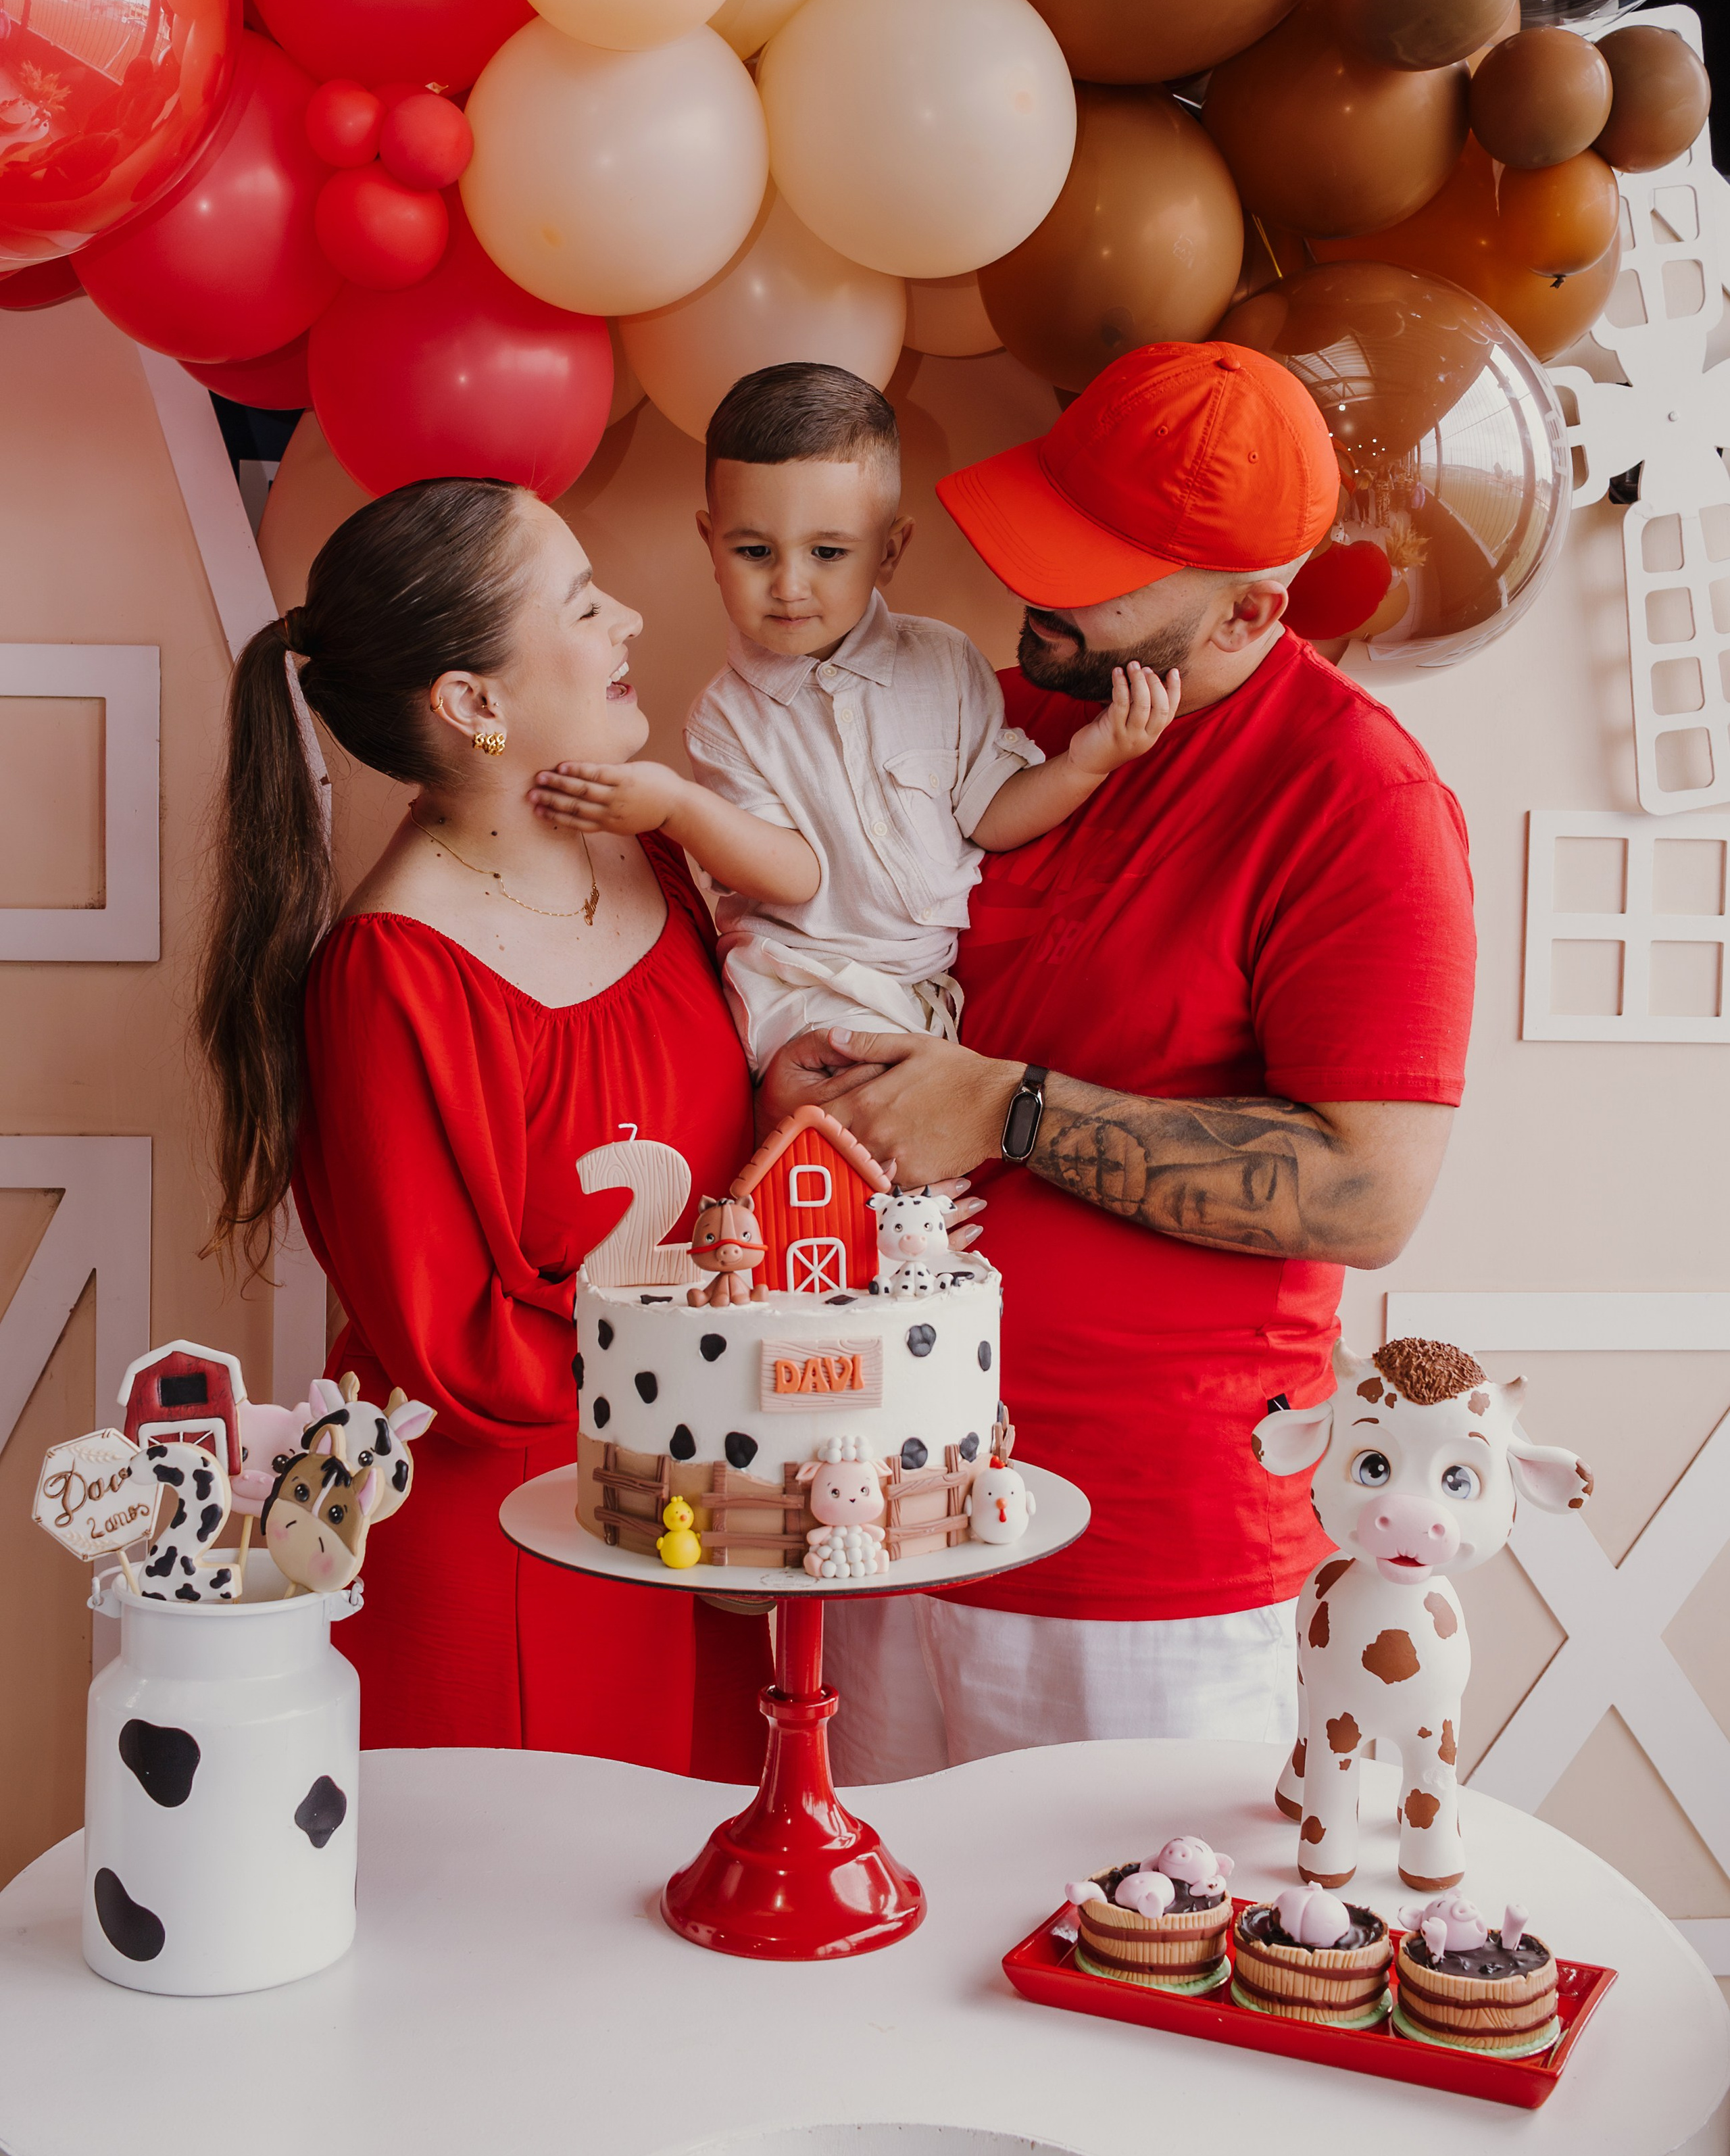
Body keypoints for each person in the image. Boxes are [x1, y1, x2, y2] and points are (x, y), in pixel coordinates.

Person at [759, 341, 1478, 1784]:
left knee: (1115, 1976)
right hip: (885, 1500)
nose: (1041, 596)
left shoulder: (1357, 805)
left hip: (1151, 1571)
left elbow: (1363, 1194)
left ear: (1250, 613)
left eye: (1097, 573)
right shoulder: (1002, 721)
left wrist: (1008, 1110)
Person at [197, 477, 768, 1778]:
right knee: (536, 1930)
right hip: (516, 1532)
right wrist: (694, 1351)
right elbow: (451, 1346)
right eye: (581, 600)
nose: (629, 616)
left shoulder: (657, 848)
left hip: (692, 1490)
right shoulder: (396, 972)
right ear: (474, 703)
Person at [528, 363, 1174, 1075]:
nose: (789, 585)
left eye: (828, 553)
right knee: (855, 1096)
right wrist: (680, 807)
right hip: (801, 978)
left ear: (889, 550)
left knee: (927, 1124)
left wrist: (1088, 761)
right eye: (753, 552)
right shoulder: (727, 716)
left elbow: (989, 816)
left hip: (922, 984)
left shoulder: (943, 661)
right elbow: (796, 877)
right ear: (711, 544)